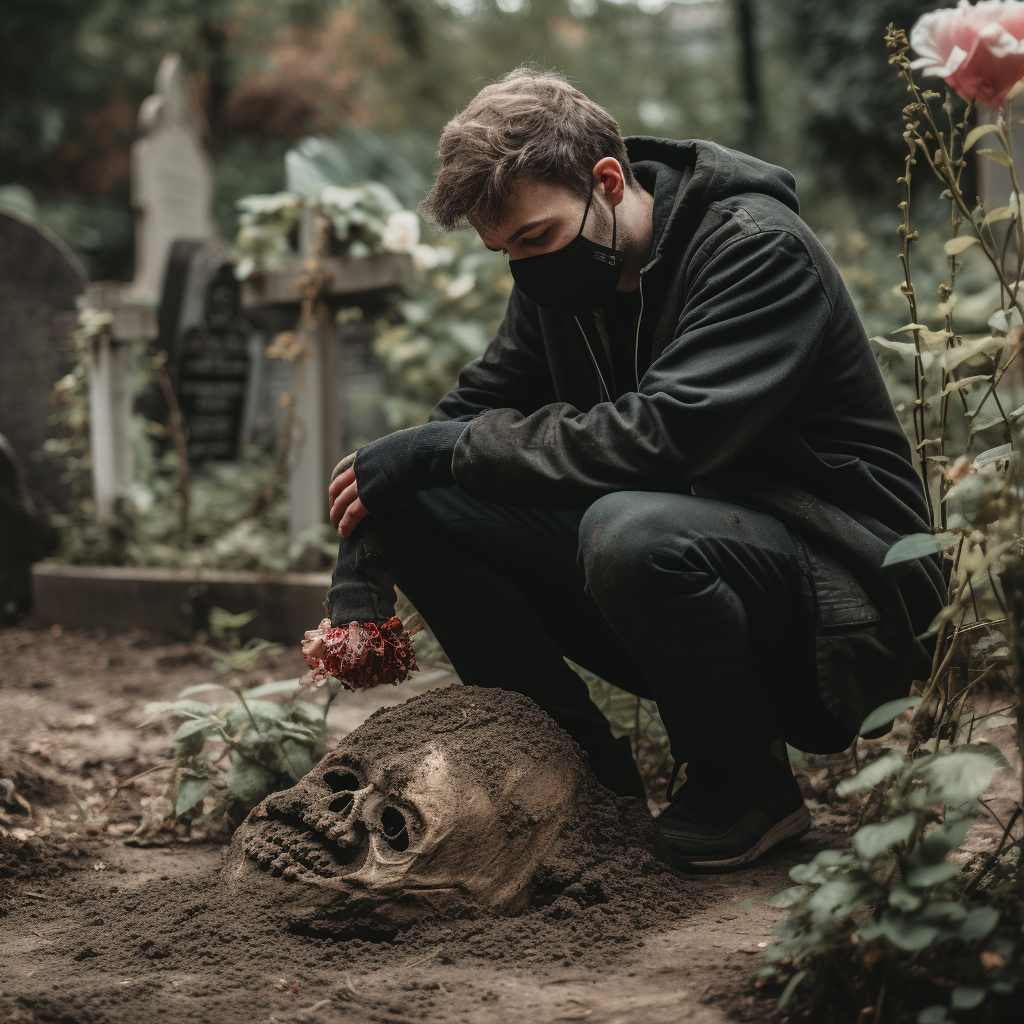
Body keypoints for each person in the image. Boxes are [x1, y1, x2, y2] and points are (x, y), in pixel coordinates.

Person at [324, 68, 944, 871]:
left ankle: (746, 785)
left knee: (627, 528)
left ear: (607, 181)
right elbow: (462, 422)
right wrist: (374, 518)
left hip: (845, 592)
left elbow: (665, 437)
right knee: (430, 494)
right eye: (503, 250)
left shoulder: (755, 248)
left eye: (536, 239)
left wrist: (438, 449)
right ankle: (581, 779)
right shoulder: (558, 281)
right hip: (688, 569)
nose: (525, 268)